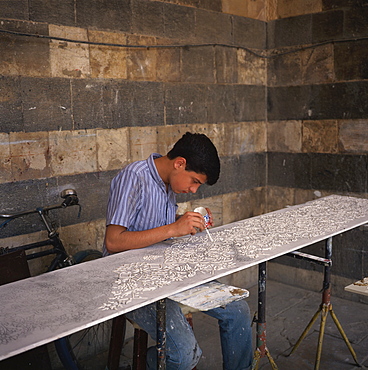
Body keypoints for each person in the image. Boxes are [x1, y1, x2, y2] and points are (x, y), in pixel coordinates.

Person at [103, 132, 253, 370]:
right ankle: (145, 365)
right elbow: (113, 241)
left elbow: (152, 226)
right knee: (183, 355)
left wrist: (186, 222)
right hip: (131, 280)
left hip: (166, 270)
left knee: (238, 311)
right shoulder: (134, 177)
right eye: (194, 181)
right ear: (179, 163)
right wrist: (173, 228)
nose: (194, 190)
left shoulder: (169, 182)